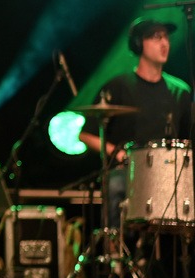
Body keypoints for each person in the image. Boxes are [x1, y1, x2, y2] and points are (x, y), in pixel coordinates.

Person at [79, 17, 192, 230]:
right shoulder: (119, 85)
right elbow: (86, 135)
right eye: (156, 37)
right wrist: (119, 154)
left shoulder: (180, 91)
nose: (164, 43)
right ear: (139, 43)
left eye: (166, 37)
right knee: (115, 184)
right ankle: (115, 252)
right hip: (128, 172)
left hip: (170, 175)